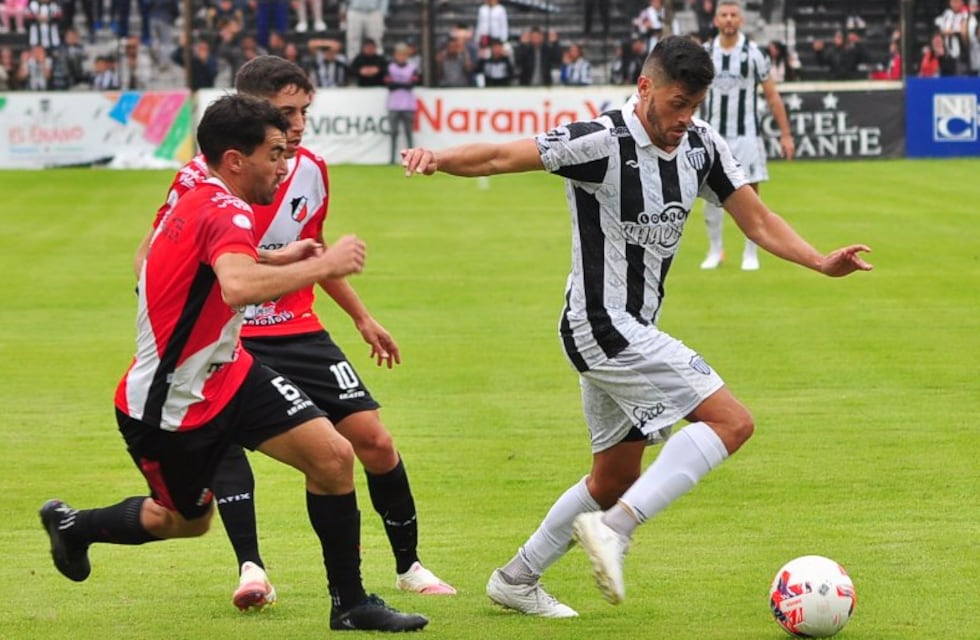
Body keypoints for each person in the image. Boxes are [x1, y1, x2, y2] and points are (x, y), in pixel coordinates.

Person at [400, 34, 872, 617]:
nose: (685, 118)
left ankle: (517, 578)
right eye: (677, 104)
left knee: (612, 477)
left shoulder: (703, 145)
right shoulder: (600, 140)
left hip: (628, 327)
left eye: (695, 106)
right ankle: (616, 531)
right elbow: (503, 156)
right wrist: (438, 158)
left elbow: (759, 219)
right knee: (731, 421)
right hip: (601, 323)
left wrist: (820, 261)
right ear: (645, 87)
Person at [40, 93, 430, 633]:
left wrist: (277, 256)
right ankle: (75, 526)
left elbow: (186, 257)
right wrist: (325, 265)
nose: (284, 163)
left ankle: (351, 603)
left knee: (334, 458)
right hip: (171, 405)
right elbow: (238, 286)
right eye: (273, 153)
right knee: (182, 521)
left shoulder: (198, 187)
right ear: (235, 160)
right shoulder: (226, 207)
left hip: (230, 373)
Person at [133, 55, 455, 611]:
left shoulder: (308, 168)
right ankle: (252, 568)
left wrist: (361, 317)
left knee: (372, 442)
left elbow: (315, 249)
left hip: (299, 327)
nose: (300, 124)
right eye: (287, 112)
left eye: (305, 110)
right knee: (229, 445)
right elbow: (163, 254)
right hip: (234, 333)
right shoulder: (200, 179)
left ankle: (410, 567)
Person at [700, 0, 794, 271]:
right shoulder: (705, 54)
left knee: (750, 194)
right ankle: (715, 250)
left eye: (733, 15)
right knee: (708, 194)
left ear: (740, 21)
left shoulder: (754, 54)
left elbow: (773, 96)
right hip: (714, 137)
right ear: (716, 20)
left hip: (747, 136)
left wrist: (785, 135)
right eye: (724, 15)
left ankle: (750, 253)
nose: (728, 19)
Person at [385, 42, 421, 165]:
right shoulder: (390, 68)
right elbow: (390, 85)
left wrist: (398, 84)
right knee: (393, 133)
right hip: (394, 105)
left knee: (408, 133)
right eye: (399, 54)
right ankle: (392, 159)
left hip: (408, 105)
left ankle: (412, 159)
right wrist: (404, 84)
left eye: (403, 55)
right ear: (395, 55)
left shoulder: (412, 67)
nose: (401, 57)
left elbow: (412, 84)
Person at [345, 0, 388, 65]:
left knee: (376, 40)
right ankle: (353, 63)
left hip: (374, 10)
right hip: (355, 9)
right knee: (353, 40)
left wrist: (382, 12)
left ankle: (378, 63)